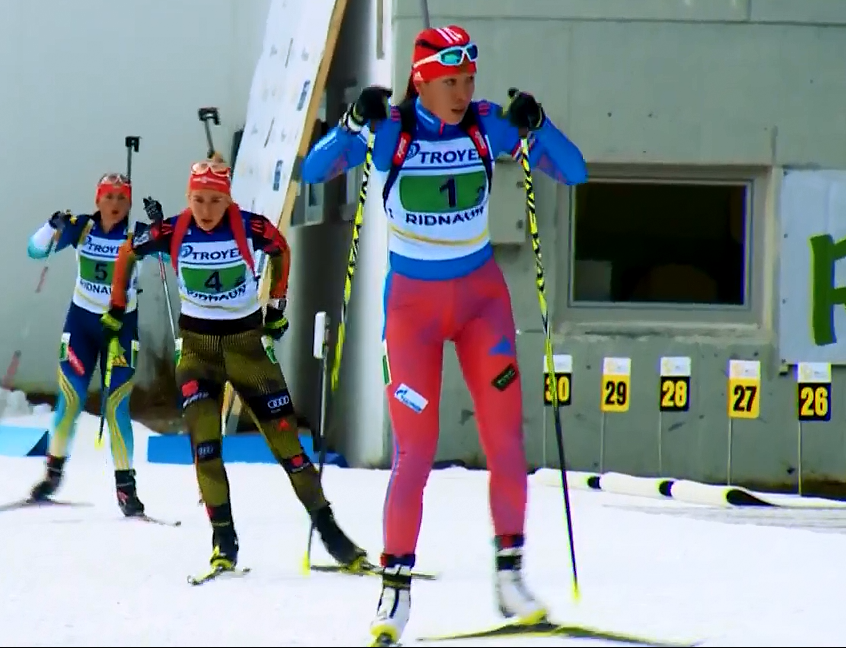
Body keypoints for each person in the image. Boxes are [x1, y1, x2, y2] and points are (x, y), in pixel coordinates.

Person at [301, 24, 588, 646]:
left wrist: (538, 124)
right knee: (415, 453)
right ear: (422, 80)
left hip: (482, 302)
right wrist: (351, 123)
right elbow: (314, 168)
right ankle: (395, 594)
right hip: (412, 311)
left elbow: (575, 171)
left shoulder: (489, 126)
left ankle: (510, 576)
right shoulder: (391, 129)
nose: (462, 92)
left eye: (468, 80)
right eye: (450, 81)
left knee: (506, 441)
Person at [104, 156, 366, 572]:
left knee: (290, 451)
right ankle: (223, 542)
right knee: (205, 450)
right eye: (198, 200)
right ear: (188, 198)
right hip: (196, 353)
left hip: (247, 349)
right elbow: (126, 253)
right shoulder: (173, 229)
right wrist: (117, 307)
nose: (206, 210)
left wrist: (277, 307)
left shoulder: (249, 226)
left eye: (214, 200)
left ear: (228, 198)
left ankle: (332, 533)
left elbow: (280, 248)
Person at [26, 173, 145, 517]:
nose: (114, 204)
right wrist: (52, 226)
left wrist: (159, 228)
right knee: (70, 400)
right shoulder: (82, 227)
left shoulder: (135, 234)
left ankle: (126, 488)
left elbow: (172, 256)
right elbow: (35, 250)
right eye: (108, 197)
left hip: (121, 329)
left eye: (122, 198)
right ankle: (52, 474)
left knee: (117, 406)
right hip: (81, 325)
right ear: (97, 200)